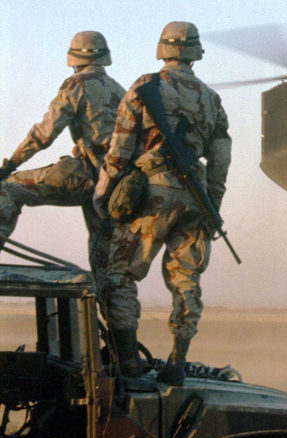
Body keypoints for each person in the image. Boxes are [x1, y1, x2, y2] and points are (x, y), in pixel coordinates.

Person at [94, 21, 232, 384]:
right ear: (195, 52)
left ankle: (128, 363)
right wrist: (213, 205)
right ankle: (178, 363)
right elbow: (221, 158)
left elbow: (121, 145)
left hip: (153, 193)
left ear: (163, 49)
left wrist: (104, 190)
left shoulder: (146, 86)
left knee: (120, 272)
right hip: (196, 196)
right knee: (186, 277)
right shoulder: (211, 99)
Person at [0, 31, 125, 268]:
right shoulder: (121, 91)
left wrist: (10, 165)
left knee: (8, 188)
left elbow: (44, 134)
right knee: (105, 263)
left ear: (74, 59)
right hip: (114, 186)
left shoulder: (77, 84)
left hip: (87, 176)